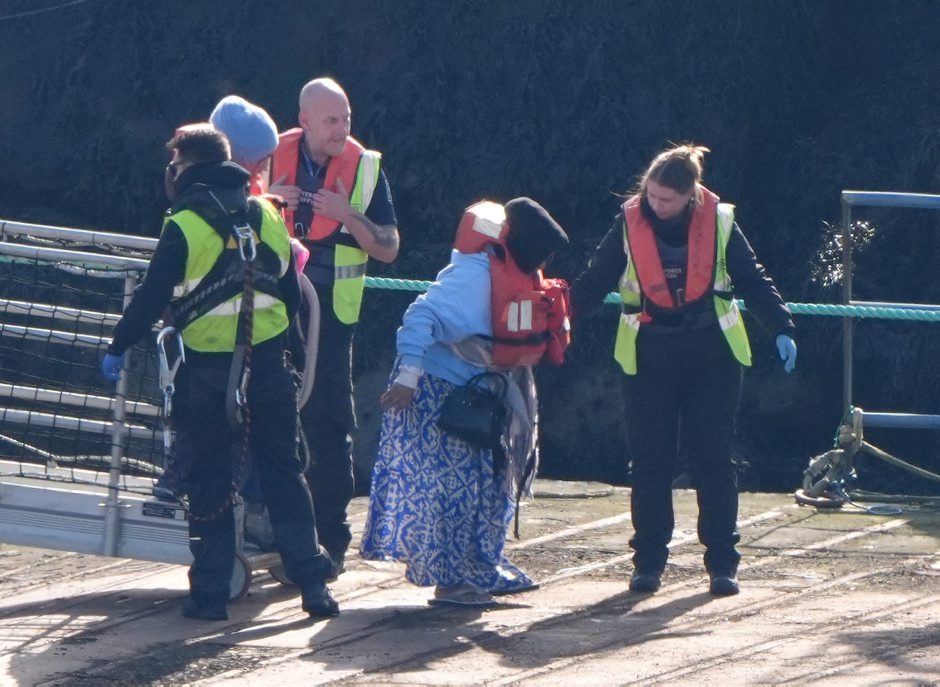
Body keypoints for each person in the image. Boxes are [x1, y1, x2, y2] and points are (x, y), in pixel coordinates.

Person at [100, 127, 339, 620]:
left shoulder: (184, 225)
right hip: (268, 367)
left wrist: (118, 345)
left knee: (210, 476)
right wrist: (293, 353)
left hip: (207, 375)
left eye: (174, 164)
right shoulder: (267, 213)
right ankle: (314, 586)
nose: (170, 173)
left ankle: (210, 597)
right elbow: (289, 292)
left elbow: (152, 296)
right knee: (284, 472)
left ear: (187, 167)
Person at [572, 143, 797, 597]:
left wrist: (781, 327)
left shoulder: (720, 222)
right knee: (650, 461)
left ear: (690, 195)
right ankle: (648, 562)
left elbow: (752, 277)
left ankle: (722, 564)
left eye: (666, 199)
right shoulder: (628, 222)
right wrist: (559, 321)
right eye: (651, 195)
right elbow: (595, 280)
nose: (656, 205)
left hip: (712, 356)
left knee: (714, 458)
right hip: (649, 356)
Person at [360, 197, 569, 607]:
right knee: (454, 491)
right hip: (435, 391)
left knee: (491, 484)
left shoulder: (518, 274)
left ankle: (481, 566)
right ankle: (451, 581)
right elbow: (420, 316)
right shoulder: (474, 276)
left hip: (482, 393)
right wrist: (408, 377)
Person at [269, 77, 399, 578]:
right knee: (271, 418)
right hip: (273, 313)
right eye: (330, 120)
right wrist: (267, 201)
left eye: (345, 118)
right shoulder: (270, 157)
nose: (341, 128)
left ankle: (332, 540)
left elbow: (389, 248)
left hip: (331, 321)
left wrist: (348, 216)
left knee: (329, 424)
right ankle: (277, 536)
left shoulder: (365, 169)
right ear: (304, 121)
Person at [209, 94, 279, 196]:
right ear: (237, 157)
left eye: (269, 156)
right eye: (261, 159)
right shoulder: (211, 193)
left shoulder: (252, 181)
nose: (266, 167)